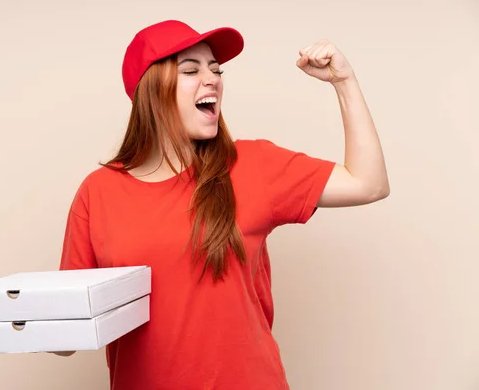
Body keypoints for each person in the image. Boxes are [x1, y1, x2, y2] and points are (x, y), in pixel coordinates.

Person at [52, 20, 389, 390]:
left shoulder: (254, 165)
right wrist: (18, 319)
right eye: (191, 70)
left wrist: (345, 82)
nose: (211, 79)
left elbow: (368, 183)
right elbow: (67, 335)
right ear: (150, 89)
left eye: (215, 69)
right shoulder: (98, 193)